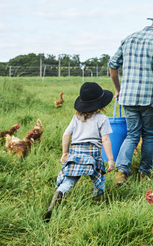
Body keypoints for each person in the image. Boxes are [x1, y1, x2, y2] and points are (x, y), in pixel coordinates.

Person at [109, 9, 153, 185]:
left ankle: (121, 171)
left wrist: (118, 88)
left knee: (132, 134)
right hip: (150, 97)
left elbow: (112, 65)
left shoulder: (129, 38)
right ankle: (144, 172)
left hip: (128, 96)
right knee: (148, 135)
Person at [45, 82, 115, 221]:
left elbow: (66, 135)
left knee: (69, 180)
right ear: (101, 103)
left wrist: (65, 153)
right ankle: (98, 200)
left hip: (75, 153)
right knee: (99, 178)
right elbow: (106, 140)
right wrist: (110, 159)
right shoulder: (102, 118)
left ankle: (60, 192)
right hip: (92, 154)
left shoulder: (76, 118)